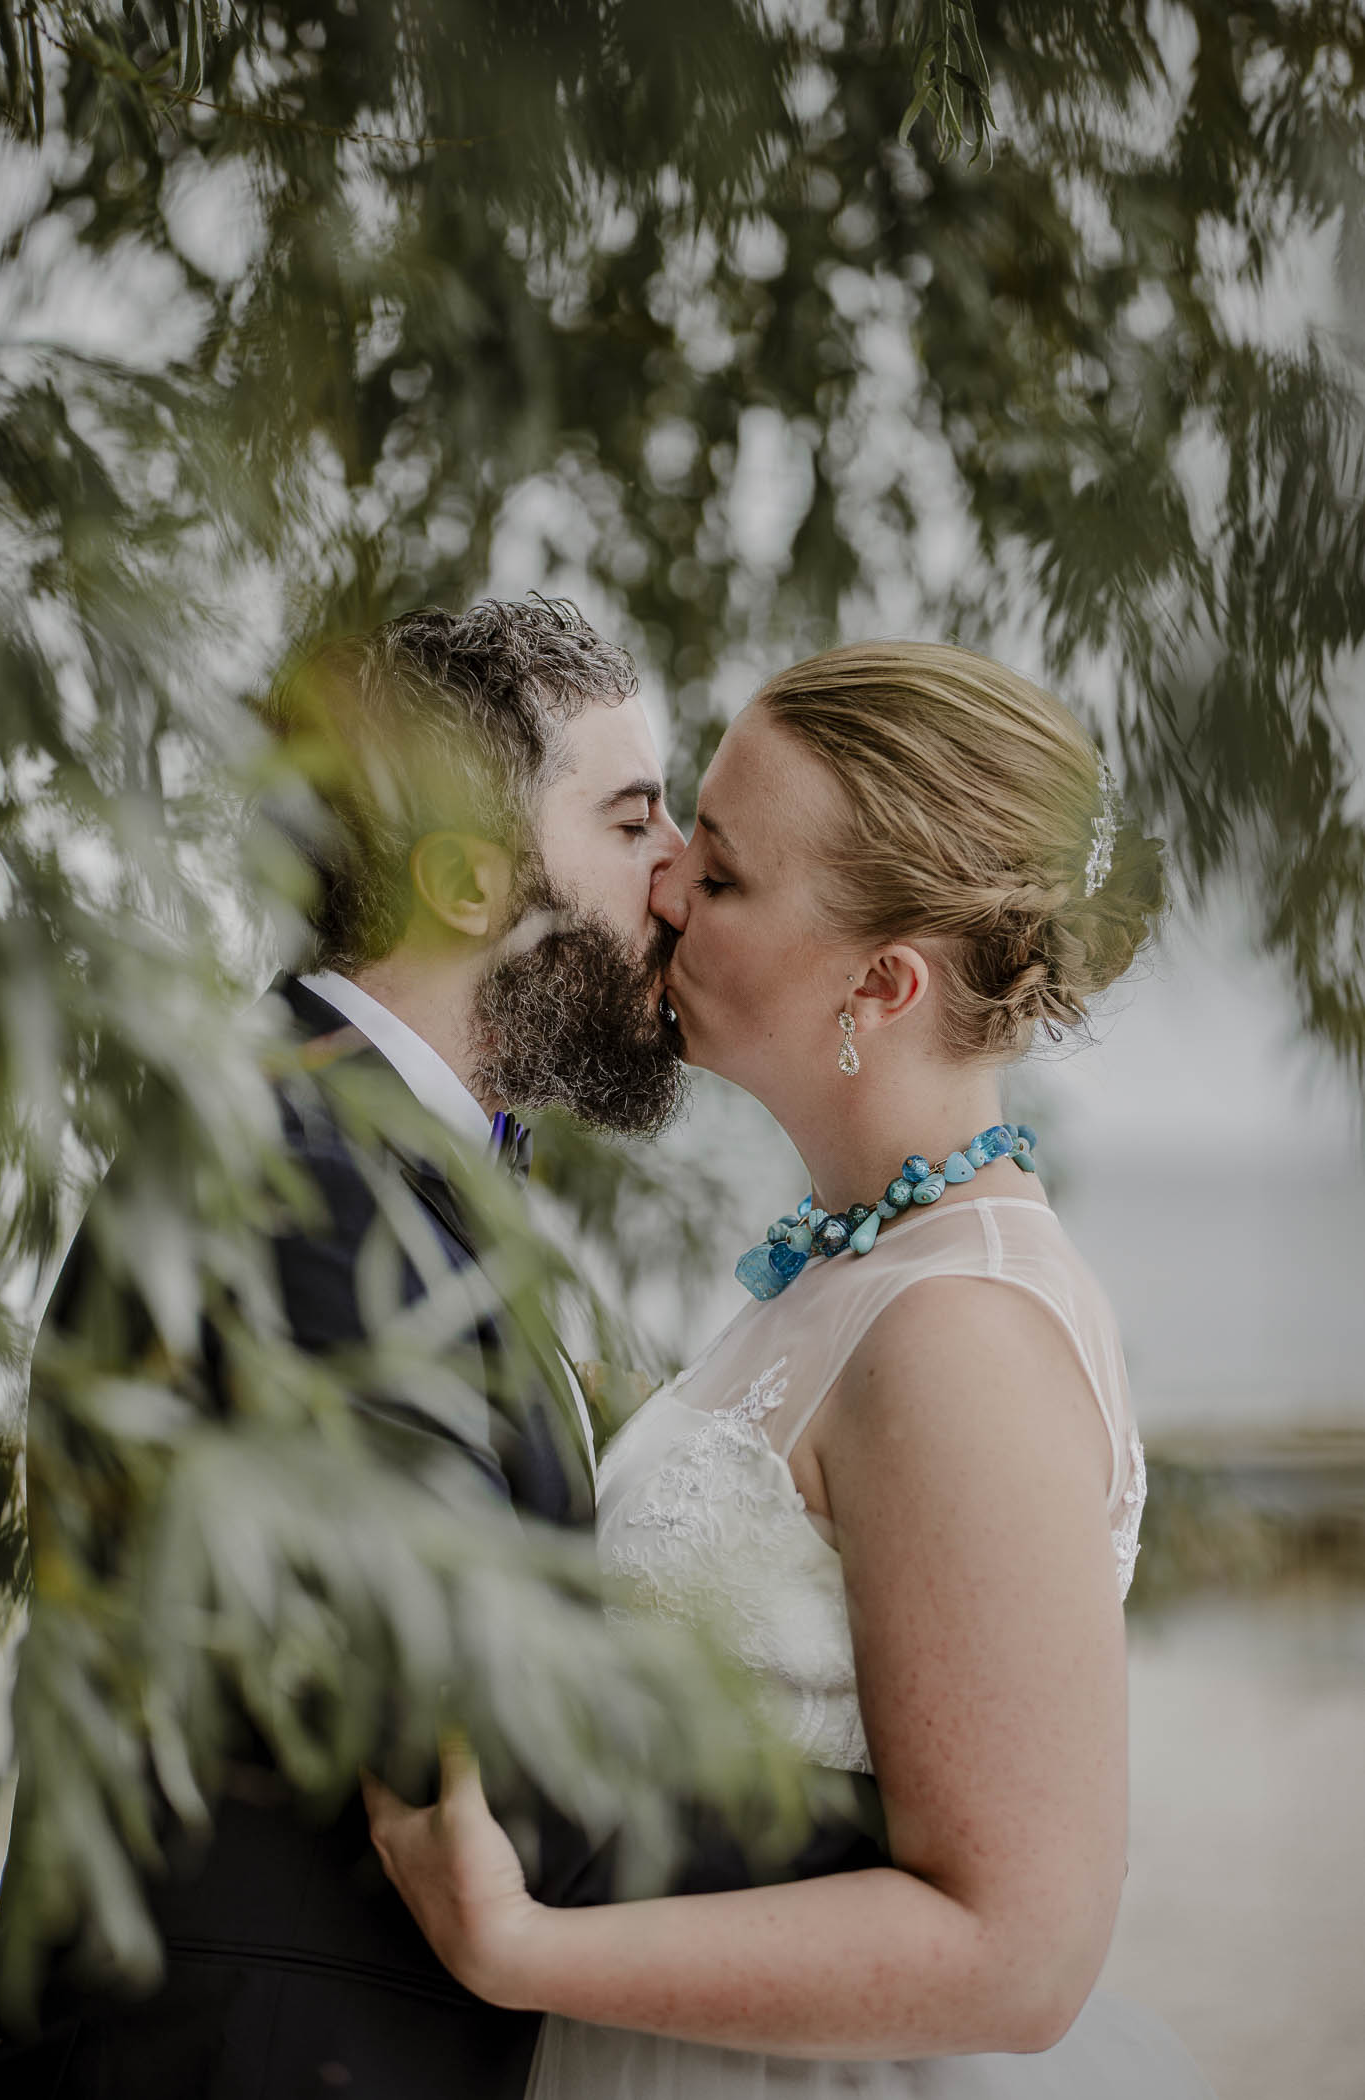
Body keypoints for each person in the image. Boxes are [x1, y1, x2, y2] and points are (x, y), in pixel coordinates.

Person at [0, 601, 888, 2100]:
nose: (679, 880)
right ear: (469, 879)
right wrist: (908, 1850)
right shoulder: (305, 1183)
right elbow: (498, 1745)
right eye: (633, 820)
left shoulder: (354, 1151)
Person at [363, 639, 1219, 2097]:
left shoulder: (962, 1333)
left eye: (729, 875)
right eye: (681, 833)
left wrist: (514, 1947)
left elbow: (1019, 1952)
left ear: (880, 986)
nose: (667, 885)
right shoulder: (851, 1274)